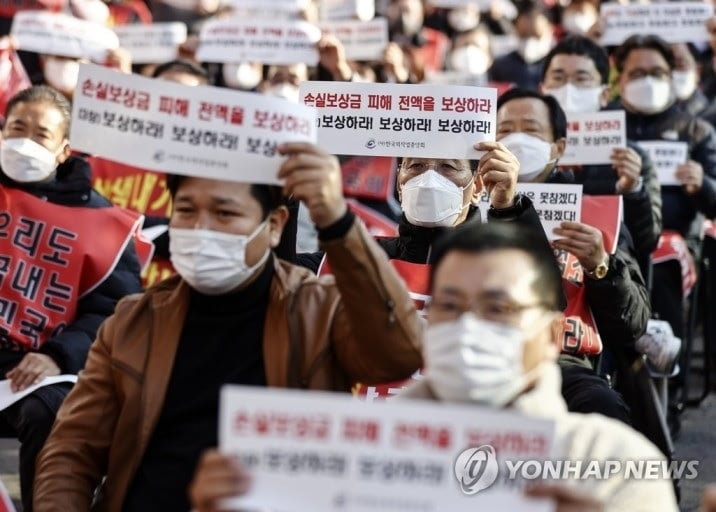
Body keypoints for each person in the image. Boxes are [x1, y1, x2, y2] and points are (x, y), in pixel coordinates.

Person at [33, 142, 423, 511]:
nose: (202, 228)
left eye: (225, 213)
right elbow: (71, 451)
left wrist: (339, 224)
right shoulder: (133, 321)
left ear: (273, 226)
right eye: (186, 210)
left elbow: (399, 354)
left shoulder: (319, 309)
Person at [187, 222, 678, 512]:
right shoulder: (356, 448)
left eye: (498, 308)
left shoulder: (608, 464)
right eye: (449, 305)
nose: (469, 326)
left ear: (550, 330)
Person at [0, 85, 142, 510]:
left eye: (40, 134)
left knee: (53, 412)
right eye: (16, 128)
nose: (25, 140)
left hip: (38, 367)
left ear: (64, 149)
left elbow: (114, 311)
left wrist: (59, 356)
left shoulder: (102, 222)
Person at [496, 88, 651, 424]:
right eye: (505, 131)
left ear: (559, 147)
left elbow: (634, 324)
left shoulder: (596, 214)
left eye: (531, 130)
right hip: (486, 356)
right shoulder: (465, 206)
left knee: (601, 408)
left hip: (565, 362)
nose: (517, 139)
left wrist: (601, 268)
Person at [610, 34, 716, 341]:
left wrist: (703, 185)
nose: (647, 80)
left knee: (662, 253)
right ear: (621, 78)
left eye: (656, 73)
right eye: (637, 73)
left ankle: (670, 368)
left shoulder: (696, 131)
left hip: (675, 241)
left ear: (671, 76)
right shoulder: (601, 127)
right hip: (612, 235)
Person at [540, 35, 662, 269]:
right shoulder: (525, 153)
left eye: (581, 79)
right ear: (542, 89)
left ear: (605, 94)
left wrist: (632, 189)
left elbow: (647, 241)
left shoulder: (630, 157)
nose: (568, 88)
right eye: (558, 77)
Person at [489, 0, 555, 90]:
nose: (529, 41)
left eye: (536, 35)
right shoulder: (501, 66)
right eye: (523, 35)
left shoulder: (556, 65)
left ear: (550, 31)